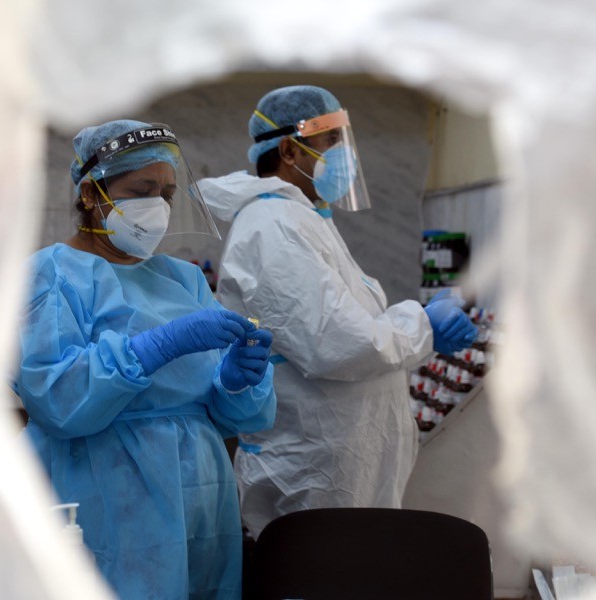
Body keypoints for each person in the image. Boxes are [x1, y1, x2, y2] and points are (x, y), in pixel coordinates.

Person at [196, 85, 477, 539]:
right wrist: (424, 323)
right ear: (289, 149)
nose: (345, 156)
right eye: (332, 143)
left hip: (334, 470)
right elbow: (337, 343)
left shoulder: (302, 220)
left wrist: (420, 322)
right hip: (311, 475)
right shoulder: (274, 228)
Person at [13, 119, 276, 599]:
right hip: (104, 493)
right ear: (92, 194)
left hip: (201, 495)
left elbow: (236, 416)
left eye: (167, 194)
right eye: (141, 189)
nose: (158, 205)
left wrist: (238, 382)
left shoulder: (183, 279)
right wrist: (153, 347)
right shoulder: (51, 273)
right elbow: (58, 400)